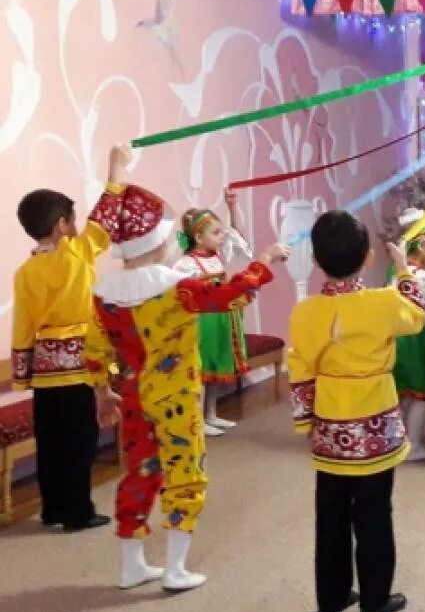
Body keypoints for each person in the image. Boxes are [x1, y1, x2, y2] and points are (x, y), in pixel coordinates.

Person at [85, 177, 287, 591]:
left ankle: (132, 565)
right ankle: (175, 569)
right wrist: (264, 260)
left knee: (139, 471)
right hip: (176, 396)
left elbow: (95, 348)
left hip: (135, 394)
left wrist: (102, 390)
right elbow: (231, 294)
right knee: (185, 471)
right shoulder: (176, 288)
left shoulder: (105, 295)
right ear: (159, 242)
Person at [287, 210, 425, 612]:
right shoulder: (384, 302)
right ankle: (374, 598)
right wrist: (404, 269)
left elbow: (299, 368)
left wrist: (305, 421)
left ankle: (331, 596)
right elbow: (417, 315)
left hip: (330, 424)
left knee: (330, 511)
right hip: (375, 422)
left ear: (315, 261)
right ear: (368, 257)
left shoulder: (304, 312)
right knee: (374, 510)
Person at [10, 146, 130, 531]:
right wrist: (116, 166)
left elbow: (23, 326)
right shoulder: (76, 254)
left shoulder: (25, 272)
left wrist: (22, 375)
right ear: (62, 224)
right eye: (73, 220)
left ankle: (52, 509)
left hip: (46, 370)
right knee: (80, 441)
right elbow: (107, 217)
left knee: (51, 442)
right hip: (81, 364)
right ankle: (78, 512)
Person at [173, 190, 254, 437]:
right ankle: (197, 420)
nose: (221, 237)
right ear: (198, 236)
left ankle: (211, 414)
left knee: (216, 370)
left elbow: (237, 236)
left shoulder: (217, 257)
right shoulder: (186, 264)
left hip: (221, 319)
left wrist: (232, 206)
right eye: (215, 233)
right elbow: (179, 292)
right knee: (202, 370)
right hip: (202, 321)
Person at [388, 209, 425, 461]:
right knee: (421, 395)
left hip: (397, 339)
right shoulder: (423, 277)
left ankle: (397, 441)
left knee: (404, 394)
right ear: (420, 245)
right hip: (417, 340)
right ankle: (415, 444)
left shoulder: (394, 272)